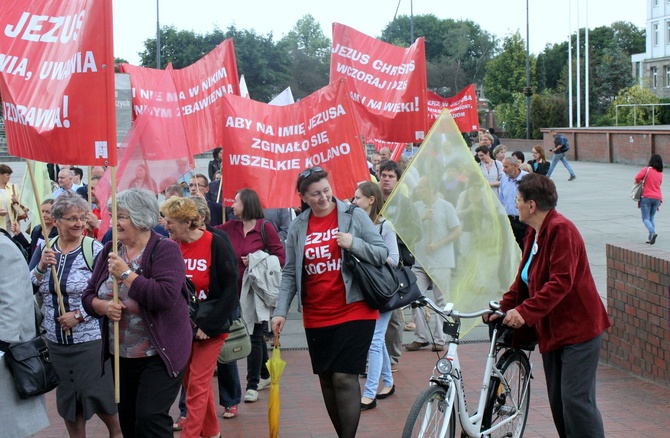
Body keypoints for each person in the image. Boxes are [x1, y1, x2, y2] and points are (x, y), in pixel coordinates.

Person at [485, 173, 609, 438]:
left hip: (580, 330)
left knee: (576, 402)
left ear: (532, 205)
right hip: (553, 330)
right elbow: (523, 283)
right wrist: (503, 307)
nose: (514, 204)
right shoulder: (534, 232)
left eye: (517, 200)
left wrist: (524, 312)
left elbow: (560, 282)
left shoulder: (561, 229)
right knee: (559, 403)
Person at [271, 167, 387, 438]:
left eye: (326, 190)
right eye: (315, 194)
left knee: (344, 377)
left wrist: (353, 243)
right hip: (317, 314)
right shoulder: (299, 225)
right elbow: (290, 271)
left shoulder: (353, 215)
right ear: (302, 196)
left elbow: (382, 252)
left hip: (354, 308)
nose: (323, 197)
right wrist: (280, 311)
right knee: (326, 379)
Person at [82, 188, 192, 437]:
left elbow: (164, 297)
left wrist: (126, 275)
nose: (114, 222)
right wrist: (104, 307)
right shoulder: (110, 249)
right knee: (130, 423)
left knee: (150, 419)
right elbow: (88, 297)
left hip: (159, 353)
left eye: (121, 216)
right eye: (113, 215)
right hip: (121, 356)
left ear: (141, 218)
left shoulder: (165, 250)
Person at [29, 194, 121, 437]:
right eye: (72, 219)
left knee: (101, 397)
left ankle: (117, 434)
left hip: (90, 341)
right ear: (56, 221)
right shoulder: (44, 248)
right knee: (69, 402)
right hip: (56, 343)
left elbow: (109, 293)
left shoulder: (95, 249)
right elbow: (29, 288)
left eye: (81, 218)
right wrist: (40, 269)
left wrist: (79, 316)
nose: (79, 223)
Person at [161, 197, 238, 438]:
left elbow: (230, 288)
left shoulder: (215, 242)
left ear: (187, 223)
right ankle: (213, 433)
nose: (166, 226)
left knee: (197, 384)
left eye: (171, 221)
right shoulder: (171, 246)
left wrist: (209, 324)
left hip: (210, 327)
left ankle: (190, 434)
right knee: (192, 384)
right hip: (181, 327)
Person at [218, 189, 285, 404]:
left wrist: (257, 259)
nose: (232, 205)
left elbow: (280, 258)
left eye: (236, 201)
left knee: (254, 335)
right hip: (233, 291)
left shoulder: (265, 228)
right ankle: (265, 375)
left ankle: (252, 384)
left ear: (247, 203)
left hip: (255, 292)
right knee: (251, 334)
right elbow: (210, 234)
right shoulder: (231, 227)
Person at [352, 182, 398, 411]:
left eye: (358, 198)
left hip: (382, 290)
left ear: (371, 200)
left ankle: (369, 393)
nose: (354, 202)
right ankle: (388, 383)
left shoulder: (385, 226)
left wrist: (368, 253)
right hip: (365, 290)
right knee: (376, 340)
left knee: (375, 340)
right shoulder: (355, 226)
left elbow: (394, 259)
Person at [0, 230, 50, 437]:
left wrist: (1, 347)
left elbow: (12, 303)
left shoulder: (3, 248)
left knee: (12, 426)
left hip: (9, 351)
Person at [405, 176, 461, 352]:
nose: (418, 190)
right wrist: (421, 219)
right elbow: (409, 230)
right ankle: (421, 337)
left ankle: (439, 338)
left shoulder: (446, 207)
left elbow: (457, 230)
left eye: (421, 187)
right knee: (416, 298)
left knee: (440, 300)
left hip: (441, 261)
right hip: (420, 261)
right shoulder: (417, 207)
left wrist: (439, 244)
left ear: (430, 189)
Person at [499, 157, 529, 248]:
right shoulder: (504, 179)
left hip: (523, 220)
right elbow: (501, 199)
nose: (503, 170)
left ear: (515, 166)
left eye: (506, 167)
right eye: (503, 167)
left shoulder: (527, 178)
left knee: (524, 248)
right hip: (509, 220)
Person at [636, 154, 664, 245]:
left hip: (647, 197)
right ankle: (650, 237)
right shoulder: (660, 174)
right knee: (651, 217)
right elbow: (659, 185)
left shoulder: (647, 169)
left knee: (645, 218)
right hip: (657, 198)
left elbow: (637, 178)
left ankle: (653, 232)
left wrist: (640, 182)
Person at [0, 163, 20, 233]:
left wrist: (17, 202)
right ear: (1, 175)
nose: (9, 177)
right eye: (7, 175)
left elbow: (21, 208)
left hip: (12, 226)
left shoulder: (13, 187)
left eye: (10, 175)